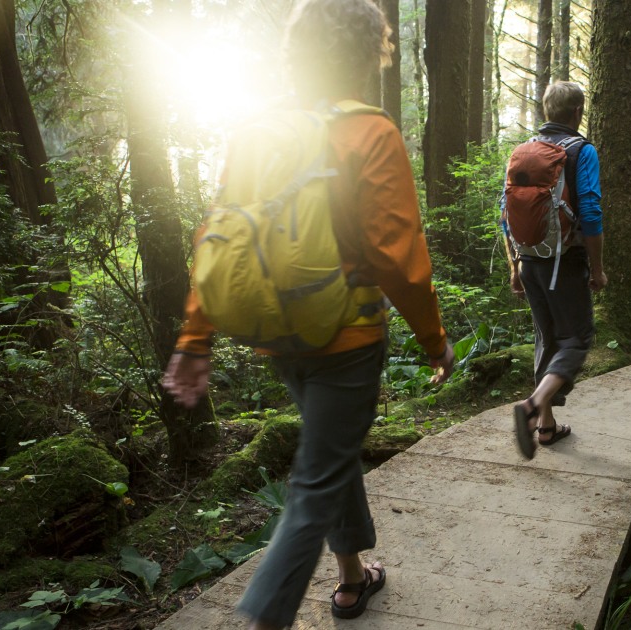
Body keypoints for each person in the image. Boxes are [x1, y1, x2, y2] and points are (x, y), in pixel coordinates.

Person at [161, 0, 454, 626]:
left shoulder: (259, 131)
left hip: (277, 333)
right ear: (370, 52)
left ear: (297, 53)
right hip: (345, 335)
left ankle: (351, 580)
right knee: (316, 481)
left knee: (331, 448)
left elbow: (219, 237)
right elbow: (396, 255)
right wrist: (433, 340)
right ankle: (265, 615)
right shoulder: (371, 132)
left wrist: (195, 336)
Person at [505, 81, 607, 460]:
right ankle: (533, 407)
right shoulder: (581, 151)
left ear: (547, 111)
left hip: (530, 260)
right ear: (578, 112)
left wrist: (515, 266)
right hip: (564, 262)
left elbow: (506, 212)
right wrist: (597, 268)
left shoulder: (523, 152)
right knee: (576, 339)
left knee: (545, 338)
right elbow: (592, 212)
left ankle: (547, 428)